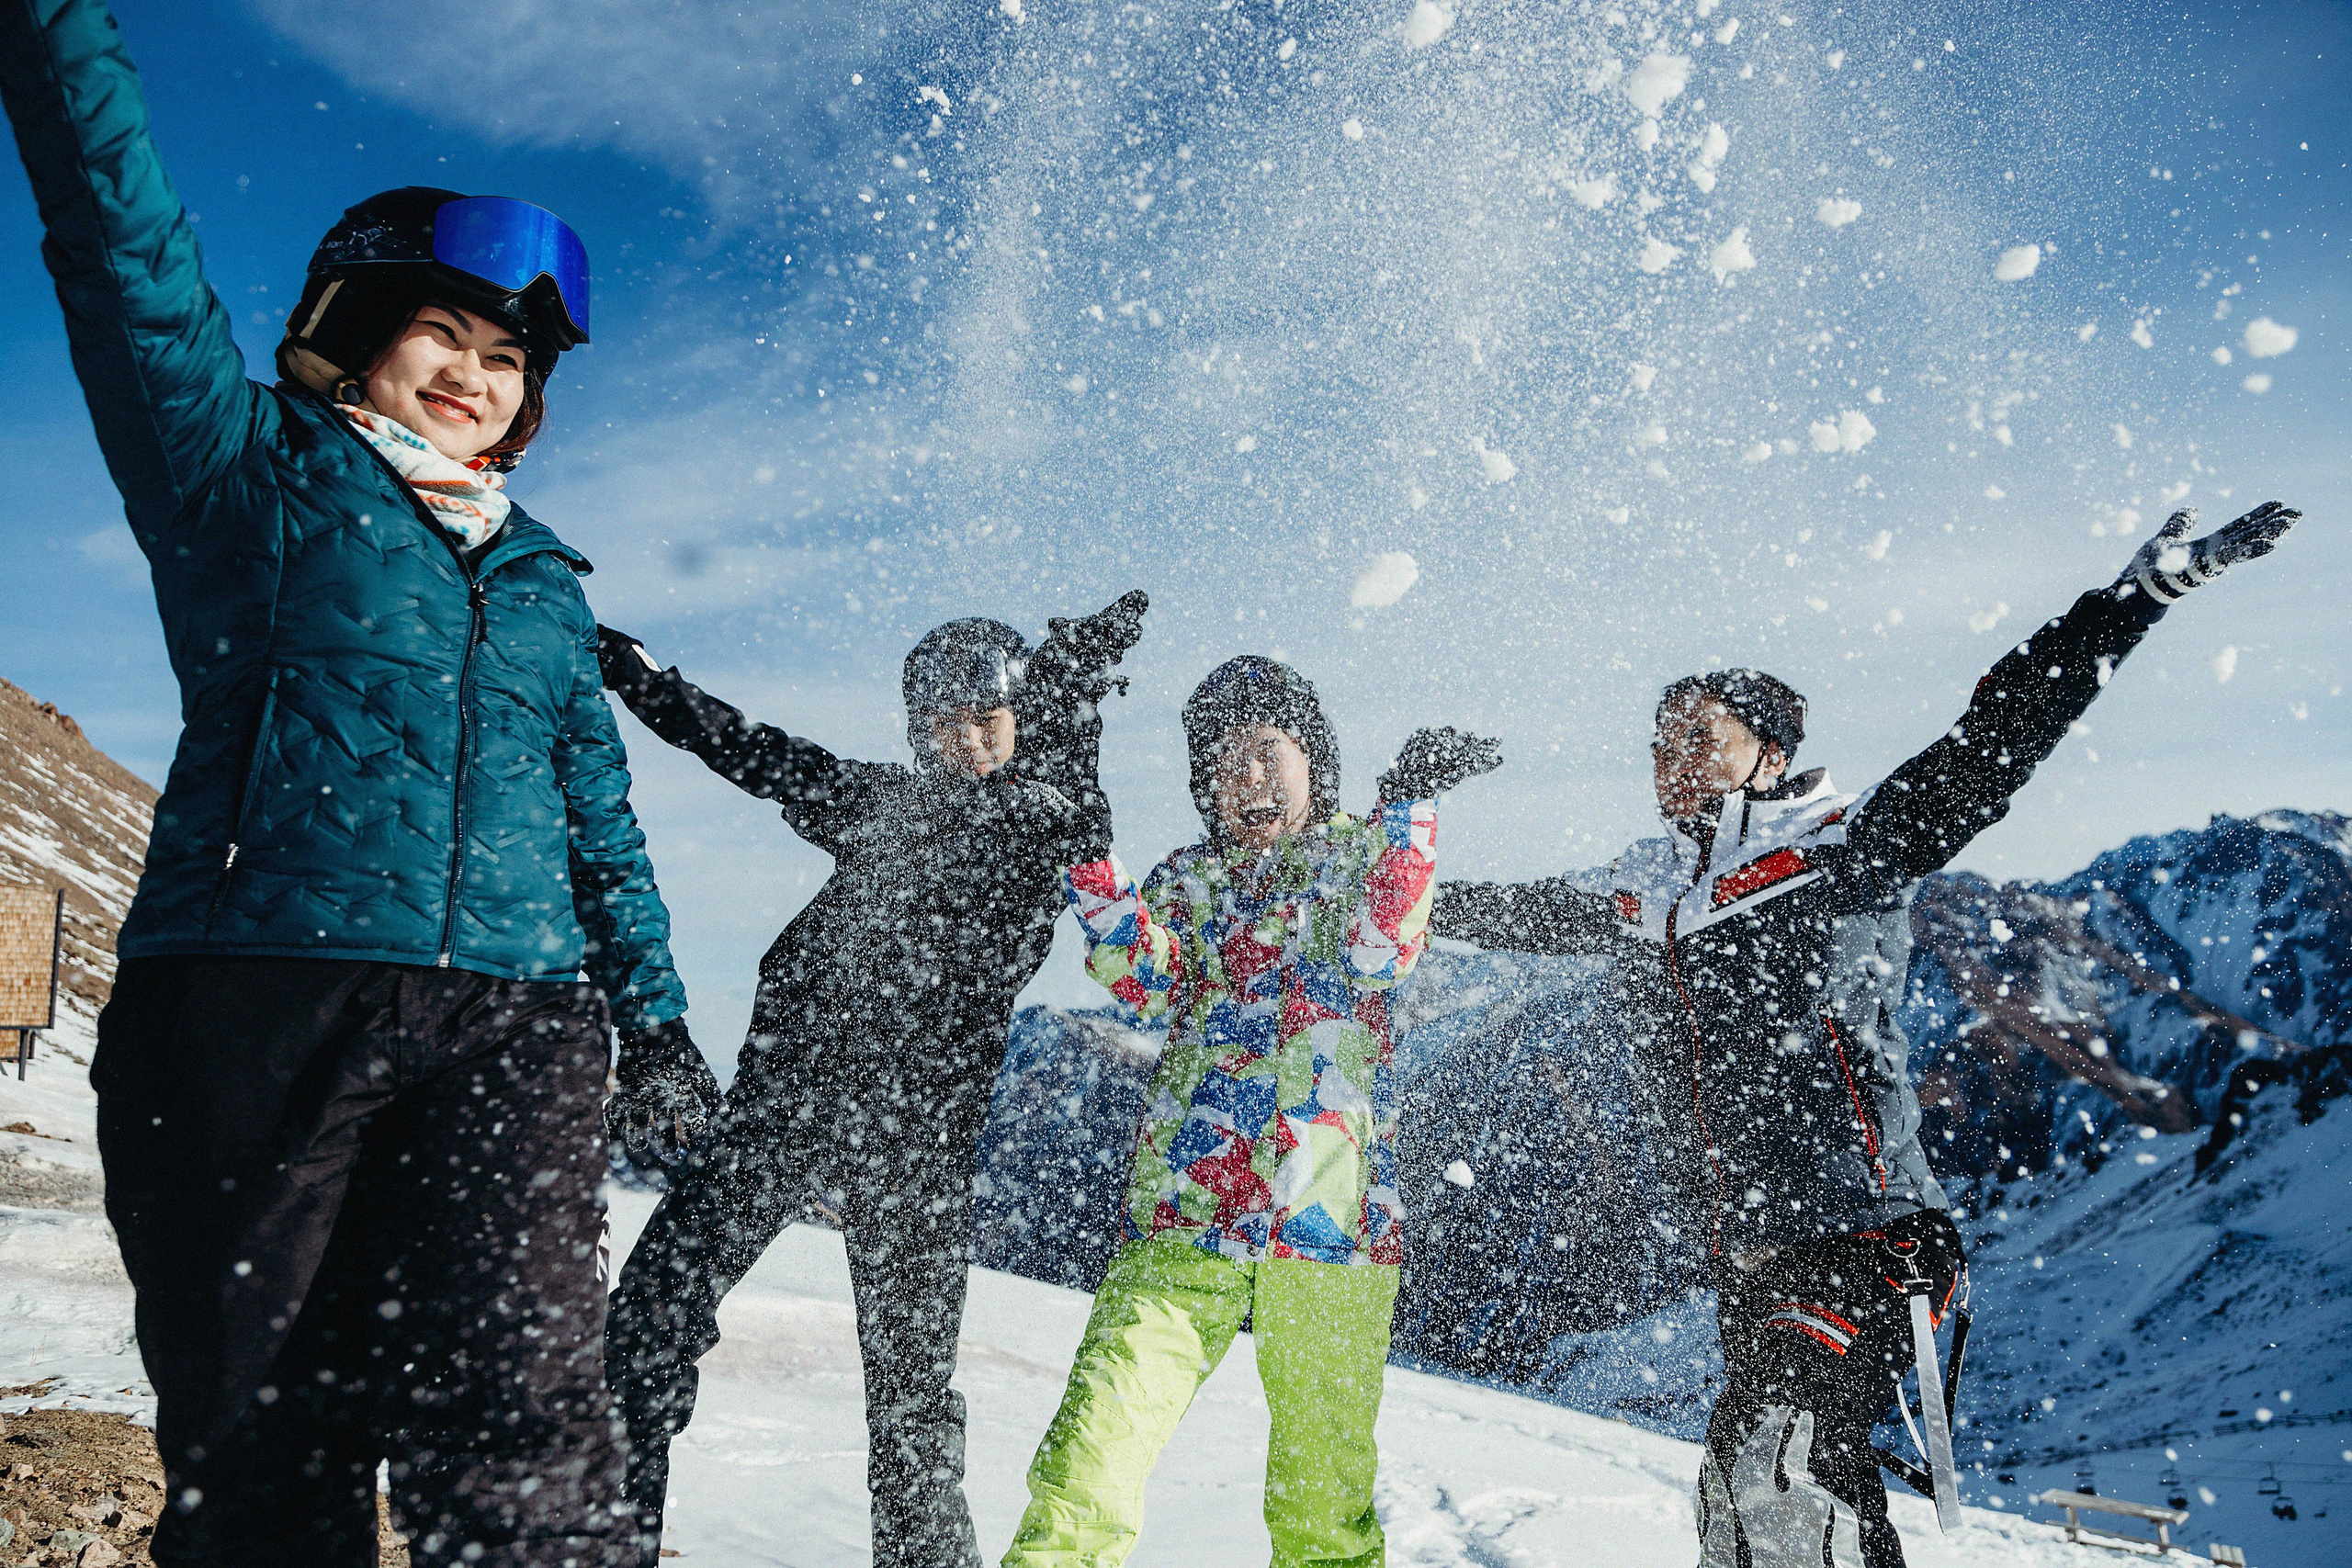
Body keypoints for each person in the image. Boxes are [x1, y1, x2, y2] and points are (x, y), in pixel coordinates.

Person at [1, 4, 715, 1563]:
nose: (474, 371)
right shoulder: (240, 475)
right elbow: (123, 248)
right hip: (261, 1002)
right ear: (356, 327)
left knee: (526, 1425)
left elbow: (599, 815)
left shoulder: (542, 582)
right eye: (443, 333)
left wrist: (655, 1019)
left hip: (516, 1021)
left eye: (507, 355)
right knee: (272, 1445)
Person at [1430, 502, 2302, 1568]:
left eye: (1700, 735)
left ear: (1771, 751)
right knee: (1745, 1495)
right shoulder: (1645, 886)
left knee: (1781, 1462)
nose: (1671, 758)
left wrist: (2128, 603)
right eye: (1660, 740)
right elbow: (1497, 910)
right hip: (1752, 1251)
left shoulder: (1849, 840)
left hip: (1871, 1232)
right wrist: (1382, 879)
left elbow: (1997, 736)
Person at [597, 592, 1148, 1568]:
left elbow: (1076, 803)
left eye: (990, 721)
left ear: (1021, 726)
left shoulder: (1039, 826)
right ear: (917, 730)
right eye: (947, 723)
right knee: (645, 1329)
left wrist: (1069, 701)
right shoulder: (880, 804)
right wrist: (644, 683)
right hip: (786, 1109)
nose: (969, 742)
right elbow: (756, 753)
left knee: (911, 1405)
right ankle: (607, 1546)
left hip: (917, 1147)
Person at [1003, 655, 1500, 1568]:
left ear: (1313, 761)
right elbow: (1136, 976)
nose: (1246, 778)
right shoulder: (1188, 880)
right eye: (1223, 764)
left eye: (1267, 753)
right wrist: (1085, 847)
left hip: (1331, 1224)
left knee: (1322, 1503)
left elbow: (1383, 949)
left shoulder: (1361, 858)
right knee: (1088, 1459)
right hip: (1183, 1215)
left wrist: (1410, 809)